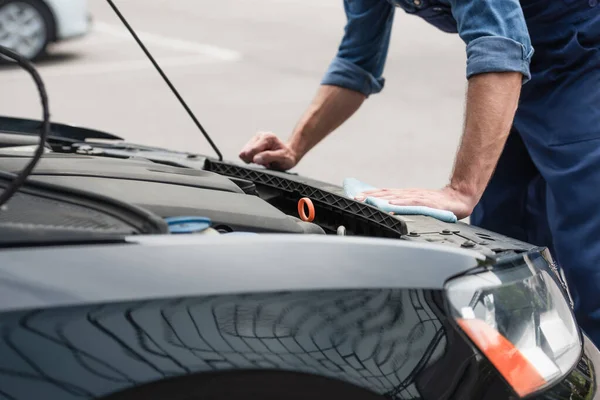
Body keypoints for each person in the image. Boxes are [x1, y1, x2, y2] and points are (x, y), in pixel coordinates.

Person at [238, 0, 600, 347]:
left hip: (585, 65)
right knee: (502, 257)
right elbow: (357, 62)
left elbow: (499, 43)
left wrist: (461, 190)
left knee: (591, 262)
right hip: (518, 76)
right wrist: (294, 147)